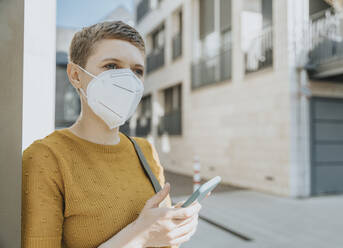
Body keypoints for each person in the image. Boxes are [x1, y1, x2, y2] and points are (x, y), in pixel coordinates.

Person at [21, 20, 207, 248]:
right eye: (111, 66)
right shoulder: (45, 157)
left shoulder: (145, 150)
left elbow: (160, 237)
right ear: (76, 75)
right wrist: (140, 235)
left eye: (137, 71)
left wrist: (172, 228)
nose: (128, 81)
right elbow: (145, 234)